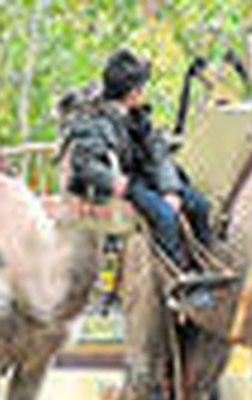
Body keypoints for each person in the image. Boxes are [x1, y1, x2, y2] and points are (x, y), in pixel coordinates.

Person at [68, 49, 214, 280]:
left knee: (199, 204)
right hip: (126, 183)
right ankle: (175, 275)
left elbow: (158, 153)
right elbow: (84, 162)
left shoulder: (137, 117)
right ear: (133, 92)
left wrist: (170, 189)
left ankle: (205, 264)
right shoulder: (93, 120)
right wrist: (112, 180)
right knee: (164, 215)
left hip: (145, 177)